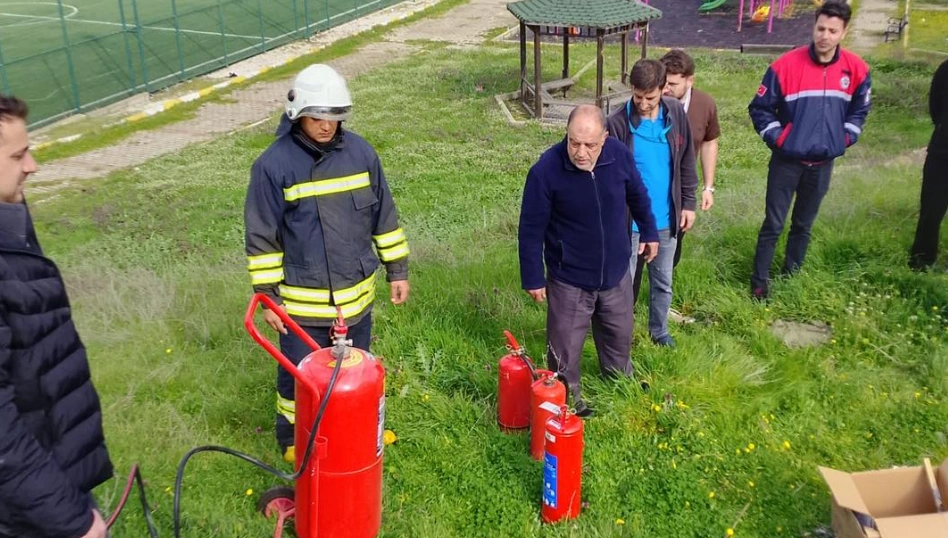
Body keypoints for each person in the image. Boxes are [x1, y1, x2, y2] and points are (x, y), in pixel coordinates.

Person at [244, 65, 409, 462]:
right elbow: (262, 235)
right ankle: (293, 439)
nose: (327, 127)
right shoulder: (272, 166)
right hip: (302, 309)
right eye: (318, 118)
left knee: (359, 372)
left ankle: (357, 429)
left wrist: (397, 270)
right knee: (299, 378)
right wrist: (267, 297)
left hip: (356, 302)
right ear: (297, 113)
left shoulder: (362, 154)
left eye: (334, 118)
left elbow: (383, 216)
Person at [0, 95, 113, 538]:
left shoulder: (11, 217)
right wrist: (71, 520)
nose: (32, 165)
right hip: (28, 507)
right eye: (17, 155)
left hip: (48, 476)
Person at [519, 104, 658, 417]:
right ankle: (568, 396)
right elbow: (530, 229)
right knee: (565, 344)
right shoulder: (546, 171)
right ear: (566, 135)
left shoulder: (619, 155)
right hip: (569, 277)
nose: (580, 152)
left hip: (616, 272)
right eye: (573, 143)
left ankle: (619, 377)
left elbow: (638, 195)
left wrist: (649, 231)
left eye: (590, 145)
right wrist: (532, 277)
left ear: (605, 139)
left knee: (619, 332)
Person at [747, 0, 871, 299]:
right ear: (813, 26)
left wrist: (844, 139)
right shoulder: (784, 66)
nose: (824, 36)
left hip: (823, 163)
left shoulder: (857, 69)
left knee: (803, 225)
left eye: (832, 30)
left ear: (844, 32)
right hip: (786, 163)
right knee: (773, 224)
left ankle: (792, 277)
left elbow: (860, 110)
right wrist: (781, 139)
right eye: (820, 28)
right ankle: (759, 284)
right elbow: (759, 109)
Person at [607, 59, 699, 348]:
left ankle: (659, 332)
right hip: (629, 223)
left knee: (663, 282)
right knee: (622, 287)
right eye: (637, 97)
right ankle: (620, 337)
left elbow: (686, 160)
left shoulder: (675, 115)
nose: (643, 103)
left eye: (650, 97)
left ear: (663, 89)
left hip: (665, 218)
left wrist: (688, 203)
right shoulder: (617, 123)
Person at [661, 48, 721, 323]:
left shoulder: (705, 105)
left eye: (672, 83)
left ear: (690, 80)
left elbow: (709, 143)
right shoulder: (652, 102)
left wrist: (708, 187)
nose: (666, 88)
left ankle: (662, 303)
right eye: (664, 81)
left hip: (681, 192)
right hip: (648, 189)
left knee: (673, 247)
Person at [909, 58, 948, 271]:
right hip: (942, 155)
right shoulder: (945, 69)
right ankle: (921, 261)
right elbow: (935, 106)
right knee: (931, 212)